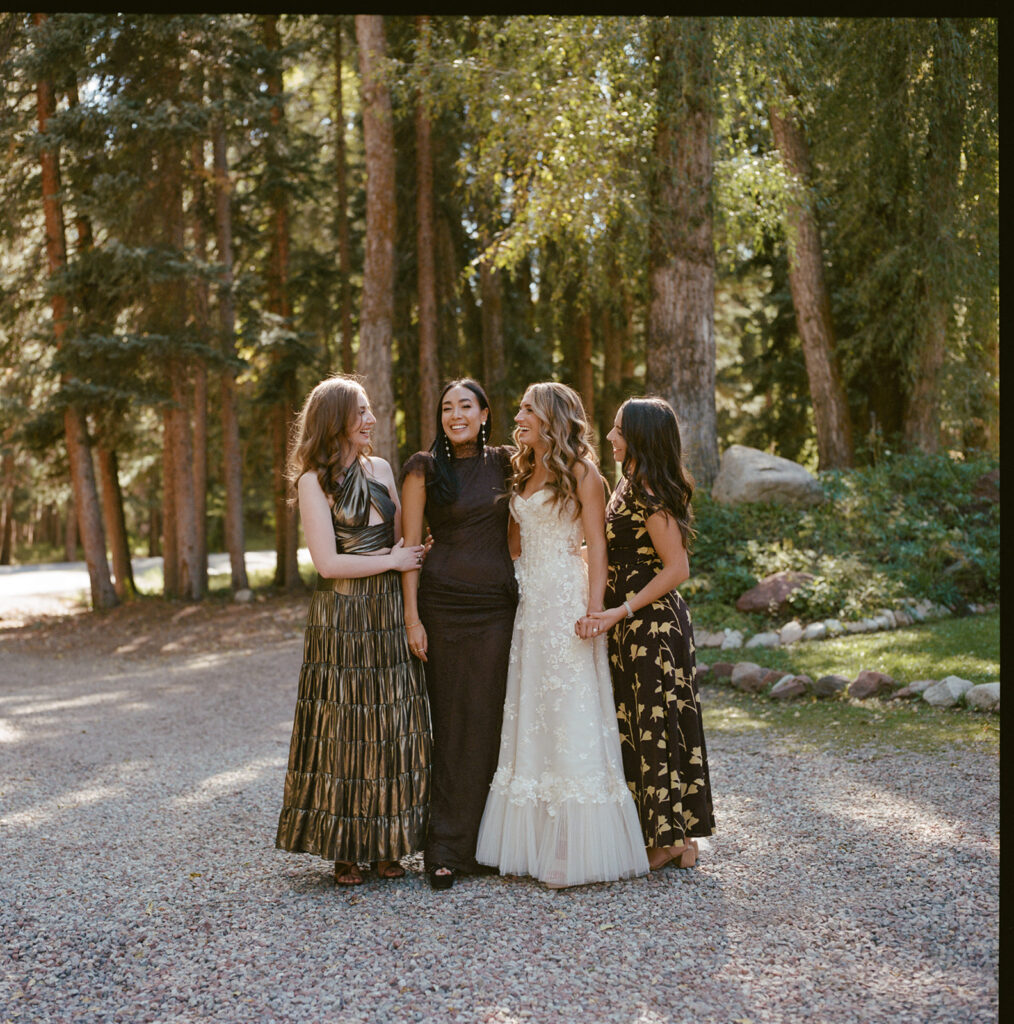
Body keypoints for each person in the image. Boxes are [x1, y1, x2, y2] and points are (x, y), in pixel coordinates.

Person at [475, 382, 649, 888]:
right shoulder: (523, 469)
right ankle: (535, 840)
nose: (518, 417)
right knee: (532, 713)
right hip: (528, 604)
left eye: (527, 409)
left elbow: (598, 546)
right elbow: (513, 544)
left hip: (567, 603)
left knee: (571, 712)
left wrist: (595, 610)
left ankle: (573, 847)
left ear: (551, 416)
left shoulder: (583, 473)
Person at [275, 374, 431, 886]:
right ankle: (346, 848)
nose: (371, 419)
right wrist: (392, 559)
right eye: (361, 411)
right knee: (345, 725)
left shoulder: (381, 469)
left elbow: (405, 540)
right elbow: (327, 563)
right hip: (342, 617)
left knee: (392, 722)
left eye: (369, 410)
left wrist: (413, 561)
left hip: (388, 610)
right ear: (335, 419)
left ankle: (388, 843)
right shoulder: (312, 481)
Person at [578, 397, 715, 871]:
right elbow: (614, 549)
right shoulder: (627, 484)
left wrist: (621, 610)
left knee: (655, 727)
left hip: (652, 626)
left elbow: (677, 568)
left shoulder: (650, 492)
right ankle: (680, 838)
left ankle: (668, 841)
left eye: (618, 430)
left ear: (640, 436)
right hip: (630, 624)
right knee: (643, 725)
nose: (610, 437)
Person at [399, 379, 518, 891]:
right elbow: (409, 549)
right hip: (442, 606)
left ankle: (487, 845)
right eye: (447, 407)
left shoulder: (507, 462)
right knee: (449, 724)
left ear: (485, 413)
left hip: (496, 607)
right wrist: (412, 619)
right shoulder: (423, 468)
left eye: (465, 406)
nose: (455, 415)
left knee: (490, 720)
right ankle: (444, 849)